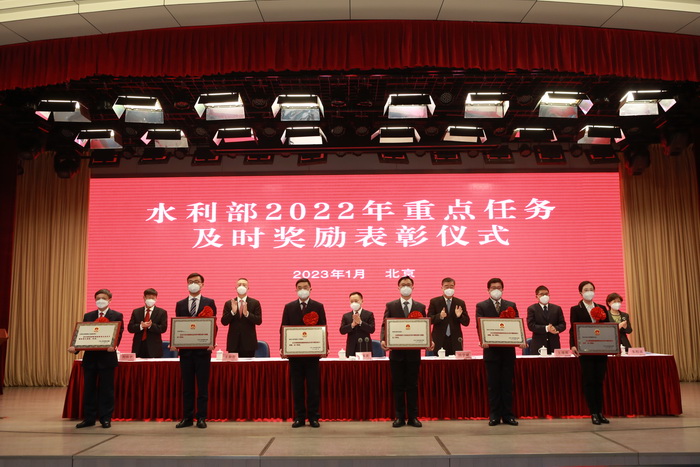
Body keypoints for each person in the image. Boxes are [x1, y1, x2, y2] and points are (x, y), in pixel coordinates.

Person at [69, 289, 123, 429]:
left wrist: (114, 345)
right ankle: (89, 418)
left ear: (110, 300)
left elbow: (119, 333)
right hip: (90, 359)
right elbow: (83, 335)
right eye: (98, 298)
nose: (100, 300)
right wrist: (75, 348)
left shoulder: (117, 315)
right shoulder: (88, 316)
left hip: (107, 358)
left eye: (103, 298)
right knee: (89, 390)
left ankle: (106, 419)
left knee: (107, 390)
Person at [381, 276, 428, 428]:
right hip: (397, 354)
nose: (405, 287)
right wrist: (383, 340)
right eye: (403, 284)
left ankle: (413, 417)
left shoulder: (420, 306)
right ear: (398, 287)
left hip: (413, 354)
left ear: (413, 287)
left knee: (413, 386)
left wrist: (429, 340)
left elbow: (424, 327)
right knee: (398, 386)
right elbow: (384, 325)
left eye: (408, 284)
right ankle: (399, 417)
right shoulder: (391, 305)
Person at [280, 278, 327, 428]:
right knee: (297, 387)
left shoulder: (318, 306)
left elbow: (323, 327)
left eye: (305, 287)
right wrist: (283, 347)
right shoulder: (289, 307)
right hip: (295, 355)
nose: (302, 290)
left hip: (312, 355)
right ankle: (299, 417)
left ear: (310, 289)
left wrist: (325, 347)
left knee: (313, 387)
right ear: (296, 290)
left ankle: (314, 417)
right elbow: (283, 328)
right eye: (299, 287)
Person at [475, 278, 522, 427]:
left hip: (508, 352)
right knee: (493, 386)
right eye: (493, 287)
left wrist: (519, 339)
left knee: (507, 385)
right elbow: (479, 325)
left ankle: (508, 415)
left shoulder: (511, 305)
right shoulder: (481, 305)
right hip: (491, 352)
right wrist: (483, 339)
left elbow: (516, 325)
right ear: (488, 290)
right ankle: (494, 416)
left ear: (502, 289)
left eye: (499, 287)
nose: (496, 290)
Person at [174, 273, 216, 429]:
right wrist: (175, 341)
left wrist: (211, 341)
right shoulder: (180, 304)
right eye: (190, 282)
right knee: (187, 387)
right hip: (186, 353)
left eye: (197, 282)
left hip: (203, 352)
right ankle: (187, 417)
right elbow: (179, 325)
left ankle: (201, 417)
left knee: (203, 387)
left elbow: (213, 324)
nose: (193, 284)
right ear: (187, 284)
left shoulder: (209, 302)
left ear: (202, 284)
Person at [570, 280, 611, 425]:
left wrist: (612, 346)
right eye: (586, 290)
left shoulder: (601, 308)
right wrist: (573, 345)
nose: (589, 292)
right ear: (580, 293)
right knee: (589, 381)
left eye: (591, 289)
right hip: (585, 351)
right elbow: (573, 329)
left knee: (599, 381)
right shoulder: (576, 309)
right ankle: (593, 412)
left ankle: (600, 412)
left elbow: (608, 328)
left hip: (600, 350)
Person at [427, 277, 469, 356]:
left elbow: (466, 322)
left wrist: (459, 316)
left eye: (451, 286)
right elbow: (429, 320)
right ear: (442, 288)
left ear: (454, 287)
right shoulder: (434, 302)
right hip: (438, 339)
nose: (449, 289)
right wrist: (440, 316)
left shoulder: (460, 302)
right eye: (446, 286)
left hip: (455, 340)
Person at [221, 278, 262, 357]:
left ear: (248, 288)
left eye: (244, 285)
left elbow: (258, 321)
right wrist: (232, 312)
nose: (241, 286)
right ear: (236, 288)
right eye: (239, 285)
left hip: (249, 344)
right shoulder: (229, 303)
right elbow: (224, 322)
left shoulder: (255, 303)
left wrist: (247, 314)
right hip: (233, 343)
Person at [127, 288, 168, 358]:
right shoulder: (136, 312)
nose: (151, 300)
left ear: (156, 299)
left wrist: (151, 325)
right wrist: (141, 326)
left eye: (153, 298)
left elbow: (163, 328)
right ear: (144, 298)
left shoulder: (162, 312)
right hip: (138, 346)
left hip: (154, 347)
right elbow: (130, 328)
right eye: (149, 298)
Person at [526, 285, 566, 355]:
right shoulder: (532, 309)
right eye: (542, 294)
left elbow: (563, 324)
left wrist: (555, 328)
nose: (544, 296)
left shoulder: (557, 308)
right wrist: (546, 328)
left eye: (546, 294)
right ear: (537, 296)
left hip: (554, 344)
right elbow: (531, 326)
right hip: (538, 345)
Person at [339, 292, 376, 356]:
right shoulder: (346, 316)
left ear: (362, 301)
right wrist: (352, 325)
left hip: (365, 346)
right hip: (351, 348)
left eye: (356, 301)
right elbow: (342, 330)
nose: (354, 303)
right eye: (351, 301)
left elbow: (372, 329)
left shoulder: (369, 314)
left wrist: (360, 322)